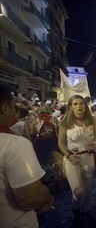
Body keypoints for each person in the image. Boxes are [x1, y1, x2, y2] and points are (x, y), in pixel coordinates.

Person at [0, 83, 54, 227]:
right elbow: (31, 197)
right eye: (13, 107)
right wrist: (47, 196)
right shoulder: (15, 144)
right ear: (5, 109)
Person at [58, 95, 96, 226]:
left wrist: (95, 143)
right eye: (75, 104)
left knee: (87, 189)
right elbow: (60, 143)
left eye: (81, 103)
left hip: (88, 158)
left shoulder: (92, 120)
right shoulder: (65, 123)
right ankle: (75, 209)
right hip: (72, 160)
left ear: (85, 106)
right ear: (70, 107)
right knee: (78, 191)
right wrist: (68, 156)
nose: (78, 106)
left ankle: (86, 211)